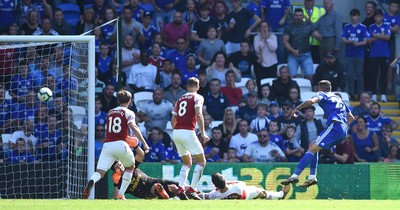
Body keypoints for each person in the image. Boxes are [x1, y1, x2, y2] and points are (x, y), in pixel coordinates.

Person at [281, 80, 354, 188]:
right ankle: (312, 177)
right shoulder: (339, 98)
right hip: (343, 129)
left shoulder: (322, 94)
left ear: (320, 88)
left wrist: (297, 108)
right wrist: (343, 129)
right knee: (313, 146)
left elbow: (311, 101)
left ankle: (295, 175)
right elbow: (351, 117)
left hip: (335, 126)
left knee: (311, 148)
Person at [83, 90, 149, 200]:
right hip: (121, 143)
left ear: (118, 100)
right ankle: (121, 194)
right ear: (130, 101)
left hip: (107, 144)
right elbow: (133, 126)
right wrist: (144, 143)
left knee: (100, 172)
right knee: (130, 167)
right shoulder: (128, 112)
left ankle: (92, 180)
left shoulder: (110, 112)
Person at [171, 77, 210, 200]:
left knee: (187, 162)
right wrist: (203, 133)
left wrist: (177, 131)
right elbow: (198, 114)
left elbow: (173, 119)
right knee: (201, 161)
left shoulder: (180, 99)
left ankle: (181, 188)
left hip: (176, 132)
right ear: (198, 87)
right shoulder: (198, 97)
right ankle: (192, 190)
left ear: (187, 87)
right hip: (188, 131)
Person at [283, 8, 317, 81]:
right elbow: (285, 42)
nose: (298, 17)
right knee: (291, 78)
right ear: (294, 16)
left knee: (310, 77)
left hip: (306, 55)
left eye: (300, 15)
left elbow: (317, 36)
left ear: (303, 16)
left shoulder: (308, 26)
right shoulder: (289, 27)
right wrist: (293, 51)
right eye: (296, 15)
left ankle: (310, 91)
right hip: (292, 55)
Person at [199, 172, 290, 200]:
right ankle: (281, 195)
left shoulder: (215, 194)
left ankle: (280, 195)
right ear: (224, 179)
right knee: (263, 193)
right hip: (246, 194)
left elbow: (203, 196)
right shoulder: (236, 187)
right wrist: (228, 182)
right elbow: (242, 183)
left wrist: (192, 193)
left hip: (240, 197)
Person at [342, 9, 369, 99]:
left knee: (359, 74)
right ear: (350, 17)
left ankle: (361, 93)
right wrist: (351, 41)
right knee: (349, 74)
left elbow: (365, 41)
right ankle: (351, 93)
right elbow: (343, 39)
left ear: (358, 17)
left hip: (359, 54)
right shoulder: (346, 27)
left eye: (355, 16)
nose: (354, 17)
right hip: (349, 54)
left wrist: (358, 43)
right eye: (352, 16)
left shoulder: (363, 27)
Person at [368, 9, 391, 102]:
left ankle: (383, 94)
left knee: (384, 74)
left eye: (379, 16)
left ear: (382, 17)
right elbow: (369, 40)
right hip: (374, 54)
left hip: (384, 53)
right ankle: (374, 94)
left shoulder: (386, 25)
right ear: (374, 17)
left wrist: (375, 36)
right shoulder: (371, 26)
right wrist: (381, 36)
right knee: (373, 74)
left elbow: (388, 37)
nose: (378, 18)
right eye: (376, 16)